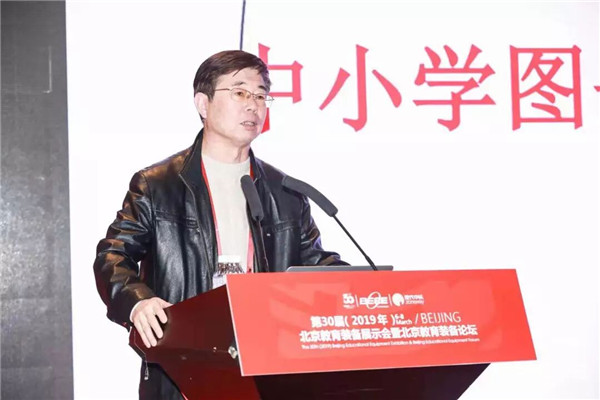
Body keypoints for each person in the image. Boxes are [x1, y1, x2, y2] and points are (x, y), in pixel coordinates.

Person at [93, 50, 345, 399]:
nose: (253, 105)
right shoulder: (157, 185)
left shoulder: (285, 192)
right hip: (185, 368)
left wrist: (366, 291)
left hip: (267, 368)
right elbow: (112, 256)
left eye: (261, 95)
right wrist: (138, 302)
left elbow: (314, 267)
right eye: (240, 92)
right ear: (203, 103)